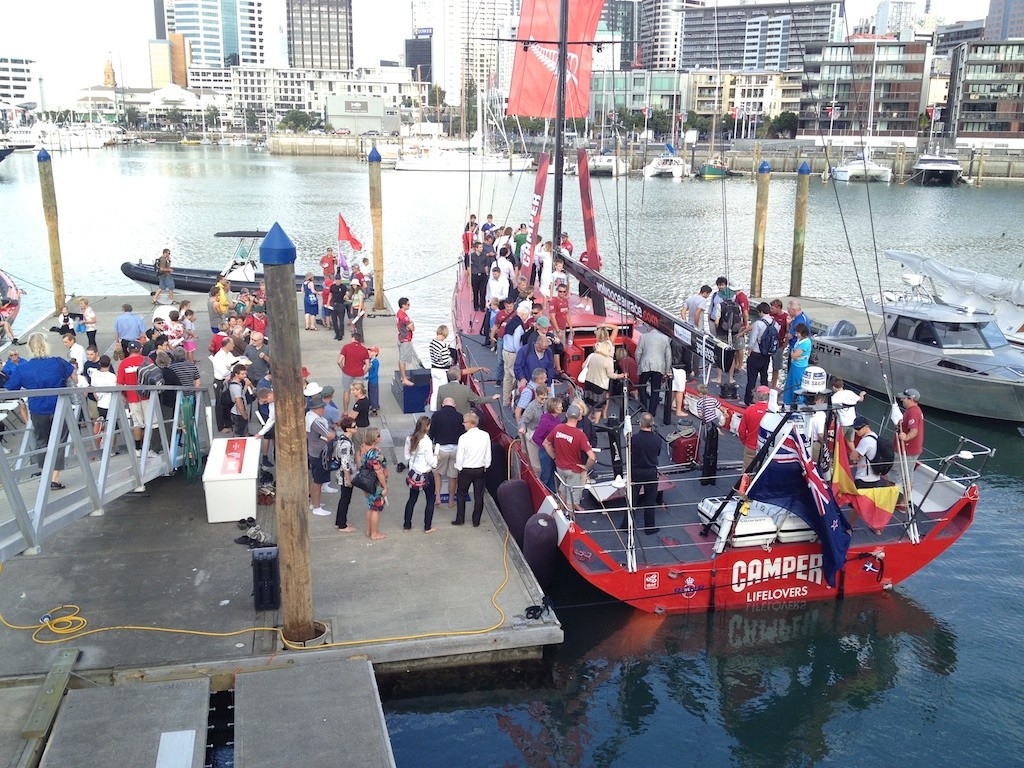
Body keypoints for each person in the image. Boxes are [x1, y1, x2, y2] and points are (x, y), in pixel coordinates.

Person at [5, 333, 75, 490]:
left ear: (29, 348)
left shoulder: (23, 368)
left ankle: (45, 473)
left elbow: (10, 387)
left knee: (42, 440)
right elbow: (73, 375)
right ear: (46, 345)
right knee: (58, 441)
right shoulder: (57, 362)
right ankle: (54, 478)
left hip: (38, 408)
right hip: (58, 405)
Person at [544, 403, 595, 511]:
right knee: (571, 499)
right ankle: (571, 521)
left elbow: (546, 443)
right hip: (573, 470)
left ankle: (561, 513)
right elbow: (592, 457)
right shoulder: (580, 435)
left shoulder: (558, 428)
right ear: (578, 417)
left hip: (560, 467)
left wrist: (554, 457)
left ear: (566, 415)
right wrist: (586, 467)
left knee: (562, 490)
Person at [624, 412, 662, 535]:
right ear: (652, 424)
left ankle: (626, 525)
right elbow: (657, 454)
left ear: (640, 423)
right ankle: (649, 527)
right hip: (650, 471)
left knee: (632, 499)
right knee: (650, 500)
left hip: (636, 471)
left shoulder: (633, 439)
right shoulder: (657, 439)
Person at [453, 411, 491, 526]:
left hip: (466, 469)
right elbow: (487, 453)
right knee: (479, 495)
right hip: (480, 468)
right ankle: (476, 521)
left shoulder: (463, 438)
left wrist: (459, 467)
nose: (463, 424)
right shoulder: (485, 435)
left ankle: (460, 519)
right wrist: (486, 465)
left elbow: (460, 456)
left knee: (461, 494)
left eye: (465, 422)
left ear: (471, 423)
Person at [403, 416, 439, 532]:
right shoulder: (426, 442)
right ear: (427, 427)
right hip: (426, 475)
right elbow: (431, 463)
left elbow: (407, 456)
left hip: (414, 474)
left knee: (412, 499)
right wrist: (436, 456)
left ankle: (407, 525)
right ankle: (427, 526)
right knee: (430, 500)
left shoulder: (410, 438)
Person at [429, 397, 464, 508]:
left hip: (441, 449)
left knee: (437, 473)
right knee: (452, 476)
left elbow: (432, 432)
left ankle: (438, 497)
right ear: (454, 405)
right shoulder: (460, 416)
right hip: (455, 449)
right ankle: (451, 500)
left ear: (443, 405)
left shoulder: (436, 415)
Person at [891, 388, 924, 498]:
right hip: (913, 449)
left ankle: (889, 498)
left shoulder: (913, 412)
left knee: (894, 474)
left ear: (910, 399)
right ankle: (905, 501)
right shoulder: (914, 410)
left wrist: (905, 437)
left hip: (907, 450)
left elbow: (914, 431)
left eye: (904, 398)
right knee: (908, 475)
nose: (902, 400)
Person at [306, 395, 335, 517]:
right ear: (317, 409)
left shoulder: (309, 417)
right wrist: (331, 434)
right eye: (322, 407)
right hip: (319, 454)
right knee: (317, 481)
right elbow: (330, 435)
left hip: (314, 451)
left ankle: (314, 502)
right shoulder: (316, 422)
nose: (324, 409)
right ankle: (316, 507)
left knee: (316, 479)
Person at [582, 339, 624, 421]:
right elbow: (610, 375)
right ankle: (596, 422)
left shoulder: (592, 355)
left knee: (589, 402)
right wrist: (620, 375)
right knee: (598, 405)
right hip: (600, 385)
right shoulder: (608, 360)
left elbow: (584, 366)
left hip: (589, 382)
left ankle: (589, 419)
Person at [744, 302, 778, 406]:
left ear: (761, 312)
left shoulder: (758, 323)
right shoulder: (775, 324)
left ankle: (749, 400)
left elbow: (753, 339)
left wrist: (749, 351)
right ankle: (766, 399)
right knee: (764, 376)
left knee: (752, 378)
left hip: (756, 353)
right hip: (767, 354)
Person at [359, 427, 389, 540]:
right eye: (378, 436)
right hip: (376, 484)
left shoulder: (363, 448)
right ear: (374, 438)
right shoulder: (374, 453)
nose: (380, 437)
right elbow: (379, 471)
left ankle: (369, 530)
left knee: (370, 507)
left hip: (367, 482)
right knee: (376, 508)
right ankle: (374, 533)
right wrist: (385, 486)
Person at [635, 324, 672, 416]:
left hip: (645, 365)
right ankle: (652, 411)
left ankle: (643, 406)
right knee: (655, 389)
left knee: (642, 385)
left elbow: (638, 352)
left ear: (648, 328)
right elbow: (668, 355)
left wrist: (639, 363)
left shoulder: (643, 337)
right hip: (659, 366)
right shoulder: (665, 338)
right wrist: (667, 369)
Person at [333, 415, 358, 532]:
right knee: (345, 499)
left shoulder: (343, 439)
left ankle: (340, 521)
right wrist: (348, 478)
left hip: (345, 474)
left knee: (344, 499)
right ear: (348, 429)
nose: (356, 427)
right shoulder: (346, 444)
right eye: (354, 426)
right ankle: (342, 525)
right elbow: (345, 462)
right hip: (345, 475)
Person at [533, 396, 564, 491]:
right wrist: (545, 446)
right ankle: (541, 491)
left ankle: (551, 491)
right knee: (546, 474)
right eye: (560, 407)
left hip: (553, 449)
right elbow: (536, 437)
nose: (562, 408)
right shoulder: (546, 421)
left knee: (552, 472)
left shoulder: (556, 417)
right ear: (554, 408)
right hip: (546, 452)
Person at [738, 386, 771, 471]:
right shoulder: (771, 412)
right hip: (766, 448)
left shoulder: (749, 410)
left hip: (750, 446)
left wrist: (745, 441)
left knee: (747, 471)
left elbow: (741, 430)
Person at [337, 332, 370, 412]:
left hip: (347, 372)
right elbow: (367, 365)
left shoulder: (346, 347)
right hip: (358, 373)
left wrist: (343, 368)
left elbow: (339, 361)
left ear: (353, 338)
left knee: (346, 391)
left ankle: (345, 412)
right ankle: (357, 411)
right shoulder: (364, 350)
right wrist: (363, 372)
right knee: (358, 393)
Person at [848, 415, 883, 488]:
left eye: (858, 428)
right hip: (875, 477)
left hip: (864, 478)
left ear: (866, 427)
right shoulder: (876, 437)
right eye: (855, 428)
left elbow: (852, 457)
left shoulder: (866, 441)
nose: (856, 431)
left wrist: (857, 456)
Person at [783, 323, 811, 406]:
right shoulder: (800, 341)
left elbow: (794, 355)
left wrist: (792, 352)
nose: (796, 335)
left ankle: (798, 404)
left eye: (797, 333)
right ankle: (788, 402)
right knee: (790, 384)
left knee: (797, 386)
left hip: (799, 367)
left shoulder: (806, 343)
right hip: (794, 365)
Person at [429, 325, 455, 412]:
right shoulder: (443, 344)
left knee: (435, 392)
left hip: (433, 369)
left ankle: (433, 408)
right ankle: (443, 409)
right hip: (441, 371)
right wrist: (451, 360)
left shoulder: (432, 342)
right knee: (444, 391)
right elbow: (445, 360)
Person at [769, 299, 789, 388]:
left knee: (776, 367)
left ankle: (774, 385)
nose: (771, 310)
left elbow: (788, 332)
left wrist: (785, 345)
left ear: (778, 307)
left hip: (779, 345)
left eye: (772, 308)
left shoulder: (785, 317)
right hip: (769, 344)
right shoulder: (770, 315)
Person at [396, 297, 416, 386]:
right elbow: (412, 328)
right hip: (405, 339)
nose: (409, 305)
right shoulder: (404, 316)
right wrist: (412, 324)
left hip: (401, 337)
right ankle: (404, 378)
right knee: (403, 359)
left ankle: (402, 375)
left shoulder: (398, 313)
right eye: (408, 304)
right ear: (403, 305)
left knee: (401, 358)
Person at [227, 363, 251, 436]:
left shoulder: (237, 383)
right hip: (238, 414)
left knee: (242, 433)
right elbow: (239, 402)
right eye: (242, 374)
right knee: (240, 434)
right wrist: (244, 415)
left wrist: (246, 385)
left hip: (237, 413)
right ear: (236, 374)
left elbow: (242, 394)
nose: (245, 376)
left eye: (245, 374)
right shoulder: (236, 387)